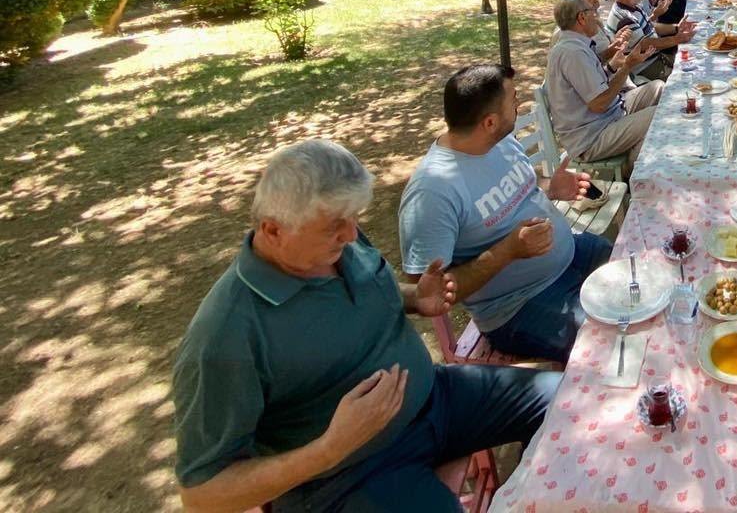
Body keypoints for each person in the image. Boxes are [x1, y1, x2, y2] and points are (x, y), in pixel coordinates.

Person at [172, 140, 559, 513]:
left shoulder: (339, 244)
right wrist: (329, 448)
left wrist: (414, 298)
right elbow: (203, 494)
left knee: (566, 402)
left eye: (354, 218)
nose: (352, 234)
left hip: (434, 399)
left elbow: (366, 293)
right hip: (350, 474)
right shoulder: (225, 336)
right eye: (334, 226)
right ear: (273, 230)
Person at [399, 65, 610, 363]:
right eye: (513, 98)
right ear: (489, 122)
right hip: (520, 305)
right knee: (609, 342)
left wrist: (552, 186)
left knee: (638, 275)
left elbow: (519, 182)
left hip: (572, 254)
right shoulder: (433, 191)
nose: (518, 103)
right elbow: (426, 288)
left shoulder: (498, 141)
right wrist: (508, 251)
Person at [546, 0, 664, 169]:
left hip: (609, 114)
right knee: (660, 115)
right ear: (582, 18)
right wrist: (626, 67)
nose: (597, 16)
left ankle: (635, 159)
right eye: (593, 11)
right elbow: (599, 104)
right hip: (591, 136)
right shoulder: (573, 53)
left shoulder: (576, 45)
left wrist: (612, 60)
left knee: (658, 88)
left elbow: (593, 84)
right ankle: (633, 175)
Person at [604, 0, 695, 83]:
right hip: (645, 68)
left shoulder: (633, 6)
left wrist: (676, 28)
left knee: (693, 62)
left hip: (657, 59)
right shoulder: (624, 17)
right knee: (688, 79)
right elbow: (644, 44)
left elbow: (650, 26)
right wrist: (678, 39)